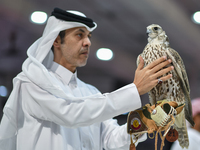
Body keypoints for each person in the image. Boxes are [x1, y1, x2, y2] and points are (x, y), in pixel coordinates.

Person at [0, 8, 173, 150]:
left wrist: (147, 119)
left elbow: (111, 138)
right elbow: (70, 114)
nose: (88, 42)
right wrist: (134, 90)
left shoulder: (90, 92)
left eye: (89, 36)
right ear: (56, 41)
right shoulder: (31, 83)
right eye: (79, 35)